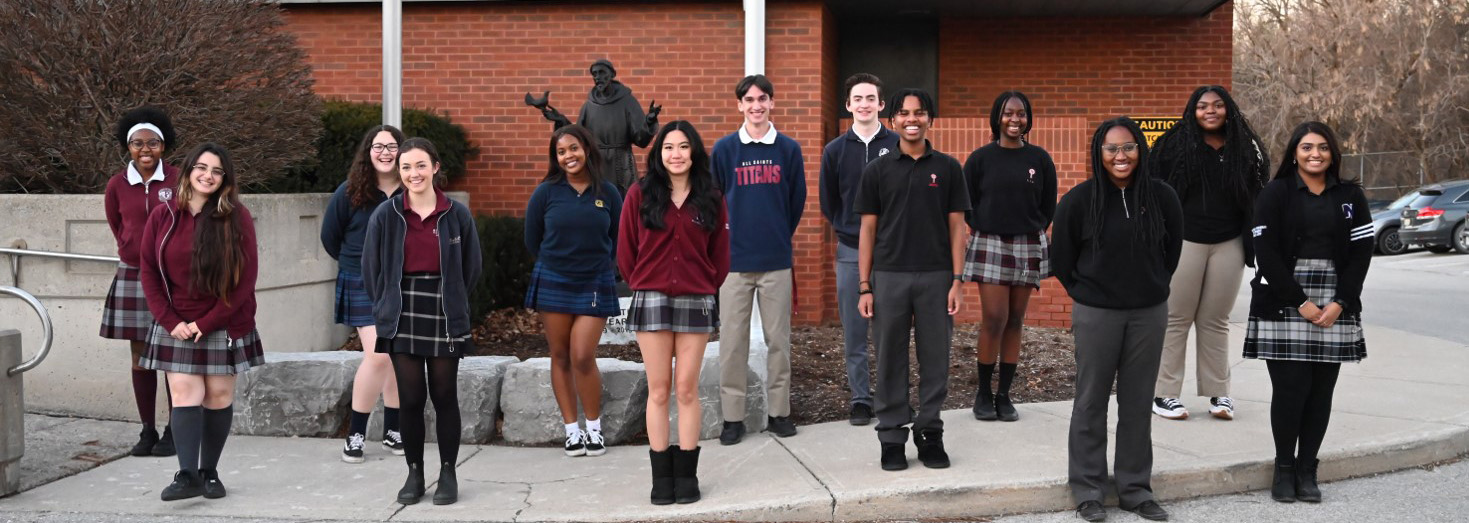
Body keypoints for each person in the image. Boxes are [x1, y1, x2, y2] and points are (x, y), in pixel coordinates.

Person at [1052, 117, 1183, 522]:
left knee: (1137, 401)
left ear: (1140, 150)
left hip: (1148, 313)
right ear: (1099, 153)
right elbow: (1061, 259)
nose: (1120, 156)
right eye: (1111, 149)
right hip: (1097, 315)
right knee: (1090, 400)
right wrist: (1087, 295)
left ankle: (1134, 488)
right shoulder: (1079, 200)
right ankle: (1088, 490)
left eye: (1128, 147)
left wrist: (1155, 285)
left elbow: (1172, 251)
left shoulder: (1162, 197)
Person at [1245, 121, 1371, 504]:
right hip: (1285, 299)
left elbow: (1362, 253)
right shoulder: (1275, 192)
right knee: (1290, 390)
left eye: (1322, 148)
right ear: (1294, 153)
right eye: (1306, 147)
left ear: (1332, 153)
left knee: (1320, 393)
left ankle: (1307, 470)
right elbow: (1264, 253)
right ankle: (1284, 469)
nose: (1315, 154)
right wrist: (1300, 301)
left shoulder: (1351, 195)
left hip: (1335, 299)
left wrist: (1340, 303)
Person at [138, 143, 265, 501]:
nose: (208, 175)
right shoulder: (163, 215)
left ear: (225, 179)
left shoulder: (236, 216)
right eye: (202, 168)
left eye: (217, 171)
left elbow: (245, 278)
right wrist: (168, 319)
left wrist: (207, 323)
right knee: (184, 394)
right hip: (176, 323)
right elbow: (147, 270)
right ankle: (187, 474)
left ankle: (210, 471)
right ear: (189, 170)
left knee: (219, 395)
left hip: (224, 321)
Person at [854, 88, 970, 472]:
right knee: (890, 360)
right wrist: (865, 285)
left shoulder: (950, 168)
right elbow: (867, 231)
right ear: (894, 120)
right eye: (904, 113)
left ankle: (930, 432)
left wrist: (957, 279)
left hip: (937, 277)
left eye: (919, 112)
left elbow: (958, 229)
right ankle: (891, 437)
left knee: (935, 360)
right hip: (889, 277)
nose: (911, 119)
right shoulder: (878, 170)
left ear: (930, 119)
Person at [362, 138, 482, 506]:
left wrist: (455, 301)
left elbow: (472, 268)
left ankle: (448, 472)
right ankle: (415, 473)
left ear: (434, 167)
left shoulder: (456, 214)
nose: (413, 174)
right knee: (410, 398)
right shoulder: (386, 215)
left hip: (444, 308)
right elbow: (371, 270)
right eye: (405, 167)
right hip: (402, 310)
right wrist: (385, 304)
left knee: (444, 395)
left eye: (419, 166)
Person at [617, 120, 729, 505]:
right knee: (660, 389)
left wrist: (704, 282)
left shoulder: (711, 196)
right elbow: (626, 250)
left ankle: (688, 476)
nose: (676, 154)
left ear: (694, 152)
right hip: (651, 298)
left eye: (683, 147)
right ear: (658, 154)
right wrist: (644, 282)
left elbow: (721, 255)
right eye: (668, 147)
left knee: (686, 388)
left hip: (696, 298)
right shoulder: (639, 194)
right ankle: (661, 478)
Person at [1149, 86, 1271, 422]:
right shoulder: (1172, 145)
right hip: (1184, 240)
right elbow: (1154, 190)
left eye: (1218, 105)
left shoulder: (1247, 149)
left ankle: (1219, 394)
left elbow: (1260, 193)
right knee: (1176, 318)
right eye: (1203, 106)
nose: (1211, 111)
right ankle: (1164, 395)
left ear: (1228, 110)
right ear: (1193, 111)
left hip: (1229, 242)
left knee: (1215, 320)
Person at [711, 74, 807, 444]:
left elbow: (795, 201)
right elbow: (713, 201)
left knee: (778, 342)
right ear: (739, 105)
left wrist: (779, 233)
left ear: (771, 103)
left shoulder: (788, 149)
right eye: (749, 99)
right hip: (733, 264)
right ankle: (732, 418)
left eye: (762, 99)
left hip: (775, 261)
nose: (756, 105)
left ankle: (779, 412)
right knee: (732, 343)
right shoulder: (724, 150)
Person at [523, 124, 622, 457]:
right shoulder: (546, 192)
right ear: (556, 157)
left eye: (573, 149)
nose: (569, 156)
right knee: (561, 355)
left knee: (582, 355)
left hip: (594, 280)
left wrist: (600, 266)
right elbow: (532, 239)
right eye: (561, 152)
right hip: (554, 278)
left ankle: (594, 428)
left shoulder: (607, 192)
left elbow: (618, 237)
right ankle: (572, 431)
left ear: (587, 150)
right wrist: (557, 263)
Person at [960, 91, 1057, 422]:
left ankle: (1004, 396)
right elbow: (967, 202)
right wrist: (986, 227)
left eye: (1021, 114)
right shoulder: (980, 158)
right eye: (1008, 113)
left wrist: (1031, 228)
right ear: (997, 117)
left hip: (1027, 242)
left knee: (1016, 320)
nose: (1015, 119)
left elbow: (1048, 205)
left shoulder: (1039, 159)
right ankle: (983, 394)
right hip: (990, 242)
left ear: (1028, 119)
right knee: (995, 318)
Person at [320, 125, 405, 463]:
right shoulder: (349, 192)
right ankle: (355, 434)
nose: (385, 152)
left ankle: (393, 430)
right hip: (361, 280)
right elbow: (331, 238)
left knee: (398, 356)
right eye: (377, 146)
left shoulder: (413, 190)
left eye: (392, 146)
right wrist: (358, 262)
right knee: (380, 354)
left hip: (402, 282)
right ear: (367, 151)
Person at [819, 73, 899, 426]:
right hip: (850, 251)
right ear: (848, 105)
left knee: (890, 330)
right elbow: (828, 200)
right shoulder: (835, 150)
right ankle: (861, 399)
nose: (864, 104)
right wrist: (847, 227)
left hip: (892, 253)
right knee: (855, 329)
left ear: (881, 105)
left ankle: (891, 398)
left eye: (871, 98)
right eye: (858, 99)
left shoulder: (898, 145)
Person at [102, 105, 180, 458]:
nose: (145, 150)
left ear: (163, 147)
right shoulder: (117, 185)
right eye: (137, 143)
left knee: (172, 353)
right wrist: (131, 250)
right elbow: (117, 225)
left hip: (170, 277)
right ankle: (147, 429)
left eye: (152, 143)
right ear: (127, 147)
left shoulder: (178, 179)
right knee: (140, 356)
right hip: (133, 275)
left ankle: (175, 430)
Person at [538, 59, 661, 192]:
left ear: (613, 74)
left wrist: (649, 122)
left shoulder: (628, 102)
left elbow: (641, 140)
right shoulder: (589, 106)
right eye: (595, 74)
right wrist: (561, 120)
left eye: (602, 73)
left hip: (621, 165)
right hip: (597, 164)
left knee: (624, 205)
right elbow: (579, 137)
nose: (598, 77)